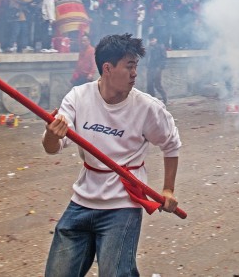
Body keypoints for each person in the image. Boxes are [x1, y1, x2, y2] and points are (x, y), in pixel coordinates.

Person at [42, 33, 181, 277]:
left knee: (117, 273)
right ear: (107, 68)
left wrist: (168, 189)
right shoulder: (78, 97)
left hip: (122, 205)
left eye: (136, 66)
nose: (135, 73)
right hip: (82, 201)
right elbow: (53, 146)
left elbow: (171, 144)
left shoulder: (147, 108)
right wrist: (52, 134)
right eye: (129, 66)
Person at [145, 36, 167, 104]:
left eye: (153, 40)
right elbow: (146, 58)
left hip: (157, 68)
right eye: (150, 40)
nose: (152, 41)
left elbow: (164, 58)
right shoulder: (148, 48)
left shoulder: (161, 47)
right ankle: (152, 100)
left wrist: (160, 68)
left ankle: (165, 98)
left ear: (156, 39)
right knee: (149, 85)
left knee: (157, 85)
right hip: (150, 68)